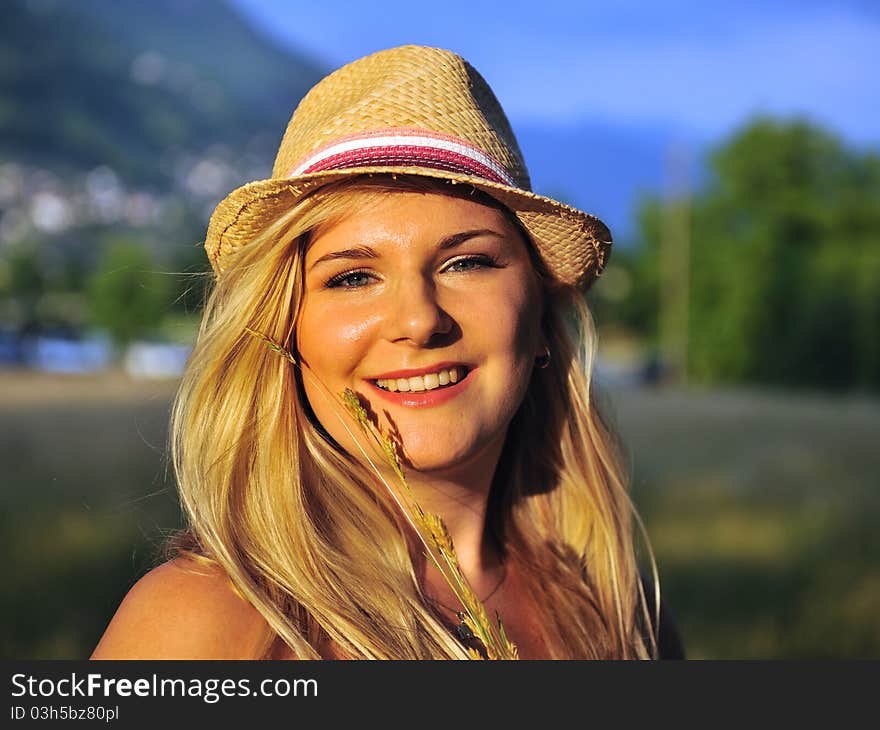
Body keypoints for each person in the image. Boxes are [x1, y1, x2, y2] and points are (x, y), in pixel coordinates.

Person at [91, 45, 683, 660]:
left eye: (468, 262)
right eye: (352, 277)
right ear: (285, 333)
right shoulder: (208, 623)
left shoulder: (624, 617)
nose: (419, 320)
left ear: (537, 317)